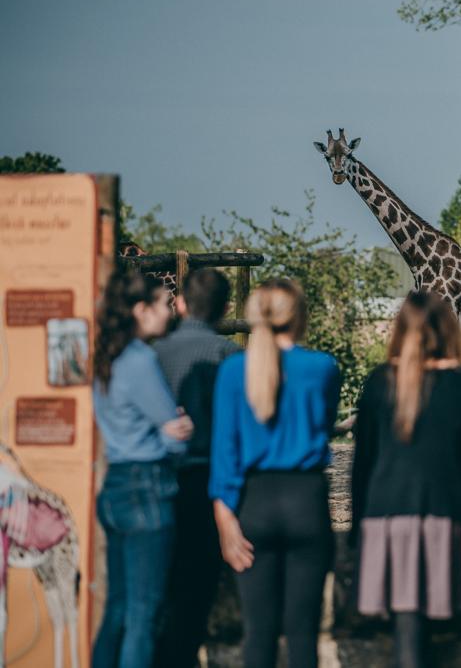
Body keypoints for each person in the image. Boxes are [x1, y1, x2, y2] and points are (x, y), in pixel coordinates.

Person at [350, 291, 461, 668]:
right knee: (428, 632)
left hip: (386, 517)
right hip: (444, 515)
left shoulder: (379, 382)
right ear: (448, 329)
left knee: (405, 628)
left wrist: (356, 531)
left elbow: (362, 465)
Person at [209, 279, 340, 668]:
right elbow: (324, 424)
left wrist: (224, 517)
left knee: (258, 633)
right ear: (299, 317)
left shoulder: (233, 371)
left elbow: (225, 451)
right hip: (306, 500)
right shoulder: (322, 368)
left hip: (255, 503)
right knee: (302, 635)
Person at [92, 270, 194, 668]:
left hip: (116, 484)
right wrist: (176, 431)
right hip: (146, 487)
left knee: (118, 609)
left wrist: (166, 427)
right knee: (144, 614)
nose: (169, 311)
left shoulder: (108, 356)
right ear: (141, 310)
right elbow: (174, 437)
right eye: (162, 304)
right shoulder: (141, 360)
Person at [153, 268, 238, 668]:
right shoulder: (230, 356)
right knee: (198, 587)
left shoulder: (154, 353)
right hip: (210, 480)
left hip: (160, 478)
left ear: (181, 303)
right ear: (225, 308)